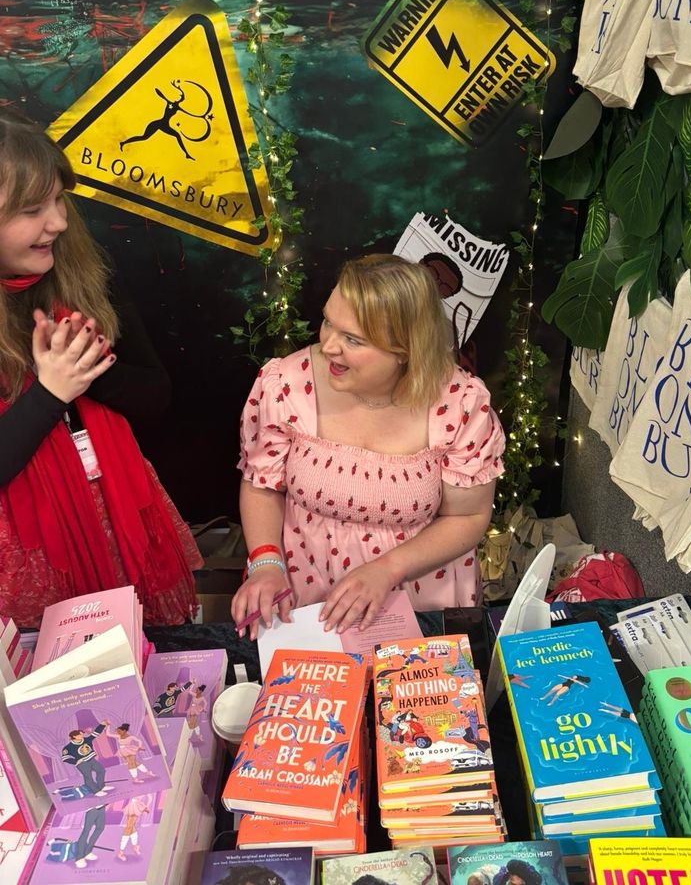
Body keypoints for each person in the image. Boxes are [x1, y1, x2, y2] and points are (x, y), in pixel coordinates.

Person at [232, 253, 505, 639]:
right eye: (328, 321)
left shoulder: (461, 403)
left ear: (405, 351)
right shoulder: (285, 383)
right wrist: (265, 563)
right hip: (307, 590)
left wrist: (387, 569)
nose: (327, 345)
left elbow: (467, 517)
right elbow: (262, 483)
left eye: (352, 339)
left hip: (419, 597)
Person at [0, 106, 201, 627]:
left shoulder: (84, 277)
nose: (59, 222)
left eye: (59, 199)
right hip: (32, 555)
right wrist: (48, 394)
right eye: (31, 209)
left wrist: (83, 366)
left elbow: (155, 395)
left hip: (119, 521)